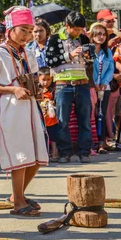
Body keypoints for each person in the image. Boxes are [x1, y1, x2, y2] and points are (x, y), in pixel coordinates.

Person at [0, 6, 48, 217]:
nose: (28, 35)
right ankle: (19, 202)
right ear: (10, 28)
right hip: (10, 110)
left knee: (37, 157)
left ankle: (17, 195)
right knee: (20, 157)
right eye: (23, 30)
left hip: (29, 109)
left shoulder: (28, 53)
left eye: (31, 30)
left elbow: (34, 77)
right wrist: (12, 89)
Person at [46, 11, 93, 163]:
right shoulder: (55, 39)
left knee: (85, 120)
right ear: (67, 26)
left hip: (82, 84)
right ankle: (64, 153)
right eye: (76, 29)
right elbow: (50, 61)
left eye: (81, 29)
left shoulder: (84, 38)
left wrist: (88, 57)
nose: (79, 32)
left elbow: (91, 62)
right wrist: (70, 55)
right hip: (63, 85)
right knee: (62, 121)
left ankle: (84, 152)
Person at [87, 23, 115, 154]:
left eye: (104, 34)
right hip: (90, 87)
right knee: (90, 115)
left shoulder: (108, 51)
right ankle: (90, 143)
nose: (101, 37)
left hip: (105, 87)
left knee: (101, 114)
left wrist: (104, 82)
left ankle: (101, 143)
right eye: (98, 34)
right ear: (92, 35)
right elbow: (86, 69)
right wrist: (94, 84)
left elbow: (111, 69)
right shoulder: (87, 50)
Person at [38, 67, 60, 161]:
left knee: (53, 136)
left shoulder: (53, 90)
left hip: (52, 119)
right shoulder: (37, 90)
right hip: (41, 118)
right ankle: (44, 154)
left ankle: (55, 152)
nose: (46, 82)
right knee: (42, 137)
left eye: (48, 79)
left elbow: (56, 102)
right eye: (43, 80)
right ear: (38, 78)